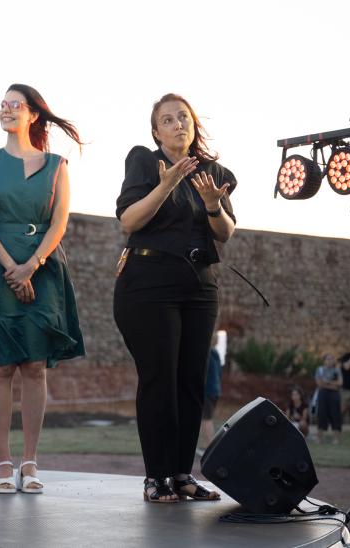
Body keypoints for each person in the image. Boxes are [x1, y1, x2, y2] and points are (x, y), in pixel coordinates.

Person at [113, 93, 237, 503]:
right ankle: (156, 476)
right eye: (168, 120)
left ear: (193, 124)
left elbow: (226, 232)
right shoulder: (145, 162)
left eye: (183, 117)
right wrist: (165, 185)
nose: (178, 124)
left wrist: (213, 207)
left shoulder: (212, 171)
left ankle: (183, 474)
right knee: (159, 379)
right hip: (148, 283)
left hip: (199, 286)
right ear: (156, 131)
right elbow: (129, 220)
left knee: (190, 381)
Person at [0, 84, 85, 494]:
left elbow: (59, 224)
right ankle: (2, 461)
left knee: (35, 365)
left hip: (44, 267)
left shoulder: (57, 165)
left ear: (33, 114)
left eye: (14, 104)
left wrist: (31, 266)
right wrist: (11, 269)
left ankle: (31, 462)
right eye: (2, 103)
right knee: (0, 365)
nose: (6, 109)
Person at [197, 337, 221, 455]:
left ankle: (210, 448)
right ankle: (208, 446)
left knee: (206, 419)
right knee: (206, 419)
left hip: (207, 391)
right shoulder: (215, 353)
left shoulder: (206, 353)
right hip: (215, 391)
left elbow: (202, 373)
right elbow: (219, 373)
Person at [315, 352, 343, 444]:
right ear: (324, 361)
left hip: (334, 395)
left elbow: (339, 383)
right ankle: (320, 438)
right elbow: (319, 384)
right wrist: (332, 384)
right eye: (328, 359)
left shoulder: (336, 370)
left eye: (331, 359)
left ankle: (336, 439)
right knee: (322, 414)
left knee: (335, 415)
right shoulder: (320, 369)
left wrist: (327, 382)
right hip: (323, 394)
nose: (330, 361)